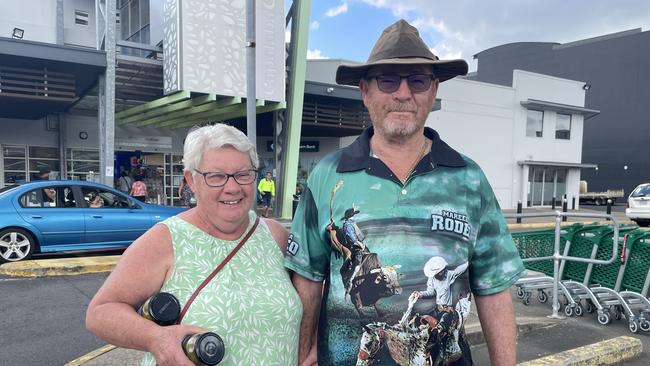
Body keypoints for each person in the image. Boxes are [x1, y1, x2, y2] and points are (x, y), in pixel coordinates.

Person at [285, 19, 525, 366]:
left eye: (417, 80)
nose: (402, 93)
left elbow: (494, 288)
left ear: (433, 90)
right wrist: (302, 354)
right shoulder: (327, 175)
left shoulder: (469, 178)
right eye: (388, 80)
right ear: (365, 91)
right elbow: (307, 277)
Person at [85, 124, 302, 366]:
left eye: (243, 174)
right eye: (216, 176)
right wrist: (156, 338)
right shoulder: (166, 240)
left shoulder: (275, 236)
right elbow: (100, 312)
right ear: (191, 180)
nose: (232, 187)